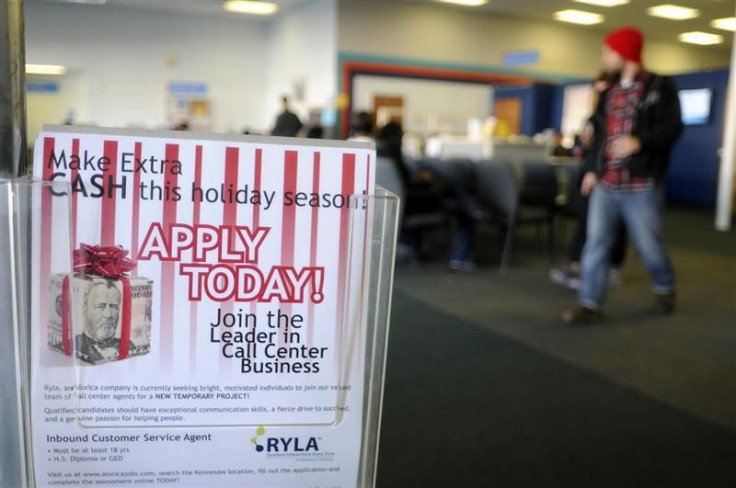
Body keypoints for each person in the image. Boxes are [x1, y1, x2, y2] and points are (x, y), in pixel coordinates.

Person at [563, 26, 683, 324]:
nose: (604, 56)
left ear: (626, 52)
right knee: (596, 245)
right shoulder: (607, 91)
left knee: (649, 246)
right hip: (606, 182)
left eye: (608, 51)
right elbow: (598, 134)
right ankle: (590, 303)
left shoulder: (659, 86)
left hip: (641, 184)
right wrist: (591, 169)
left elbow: (673, 128)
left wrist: (639, 141)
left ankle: (665, 287)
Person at [551, 71, 628, 290]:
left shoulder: (619, 119)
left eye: (604, 92)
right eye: (597, 92)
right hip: (589, 176)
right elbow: (590, 150)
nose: (600, 97)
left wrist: (596, 169)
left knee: (614, 225)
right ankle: (578, 267)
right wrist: (585, 146)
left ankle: (609, 268)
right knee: (587, 222)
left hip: (612, 179)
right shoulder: (593, 118)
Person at [75, 280, 122, 363]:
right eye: (101, 307)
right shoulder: (74, 344)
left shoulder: (129, 346)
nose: (108, 315)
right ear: (84, 309)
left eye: (113, 307)